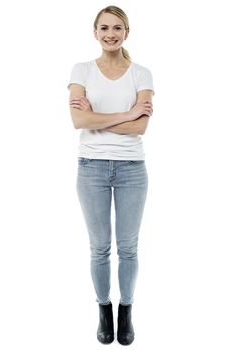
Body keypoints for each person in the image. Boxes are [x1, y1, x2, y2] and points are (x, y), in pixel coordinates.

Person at [67, 5, 154, 346]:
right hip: (91, 168)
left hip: (132, 169)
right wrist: (127, 113)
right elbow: (79, 122)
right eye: (104, 28)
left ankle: (126, 311)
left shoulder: (141, 74)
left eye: (117, 28)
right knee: (100, 248)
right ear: (95, 32)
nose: (110, 33)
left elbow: (141, 127)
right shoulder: (81, 70)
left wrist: (102, 116)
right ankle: (104, 310)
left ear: (126, 33)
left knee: (128, 248)